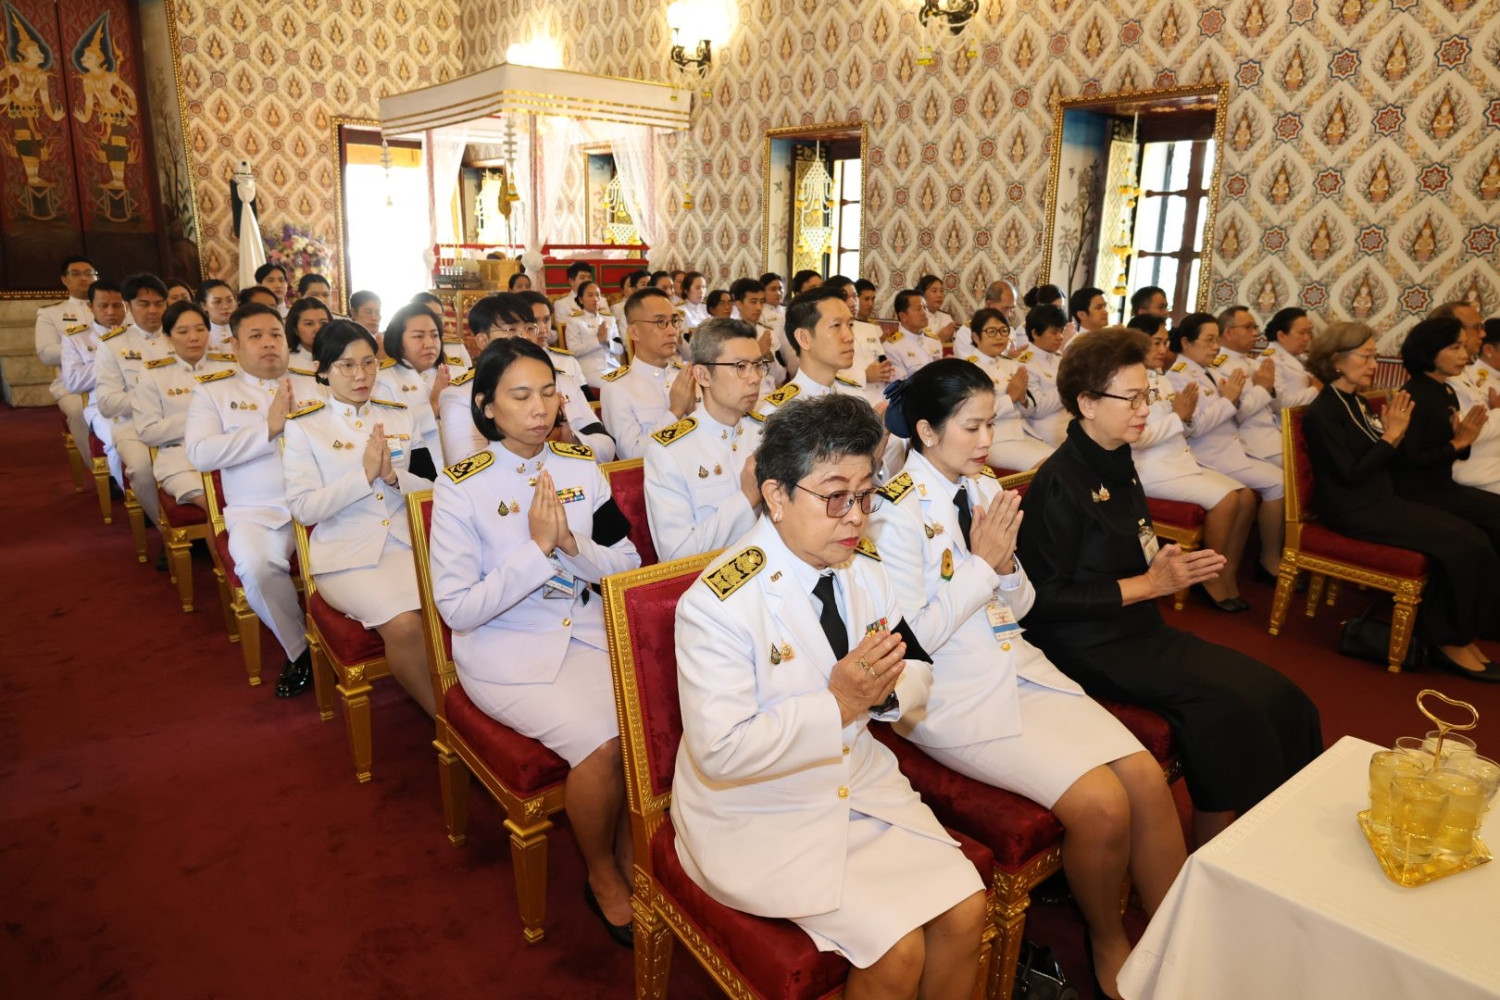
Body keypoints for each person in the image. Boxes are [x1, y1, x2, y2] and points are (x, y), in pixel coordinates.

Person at [871, 361, 1187, 998]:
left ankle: (1181, 942)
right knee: (1100, 804)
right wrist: (983, 569)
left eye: (992, 423)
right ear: (928, 431)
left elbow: (1020, 608)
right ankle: (1108, 939)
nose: (988, 440)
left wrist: (1007, 570)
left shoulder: (985, 490)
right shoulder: (891, 515)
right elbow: (911, 641)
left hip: (1019, 667)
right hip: (951, 696)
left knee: (1146, 777)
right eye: (973, 426)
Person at [673, 393, 988, 997]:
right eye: (835, 495)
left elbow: (915, 668)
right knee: (895, 951)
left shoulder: (864, 568)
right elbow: (721, 752)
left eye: (866, 493)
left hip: (859, 779)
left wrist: (886, 696)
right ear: (776, 496)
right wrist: (842, 703)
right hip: (757, 808)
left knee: (967, 910)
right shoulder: (716, 604)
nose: (855, 515)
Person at [1015, 329, 1323, 844]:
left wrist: (1163, 557)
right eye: (1132, 398)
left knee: (1283, 695)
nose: (1145, 410)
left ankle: (1277, 831)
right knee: (1224, 705)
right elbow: (1043, 602)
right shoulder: (1060, 481)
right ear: (1087, 403)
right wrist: (1149, 581)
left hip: (1137, 628)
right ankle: (1217, 848)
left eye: (1147, 396)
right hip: (1086, 644)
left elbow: (1128, 538)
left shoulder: (1116, 457)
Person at [429, 337, 640, 944]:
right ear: (486, 407)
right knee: (603, 743)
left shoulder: (581, 469)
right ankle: (600, 874)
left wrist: (573, 548)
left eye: (548, 392)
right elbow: (459, 610)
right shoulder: (460, 487)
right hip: (504, 649)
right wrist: (537, 551)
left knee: (654, 720)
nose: (539, 408)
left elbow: (625, 564)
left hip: (589, 631)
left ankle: (631, 852)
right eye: (520, 395)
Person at [1302, 321, 1500, 680]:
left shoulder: (1356, 402)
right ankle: (1448, 643)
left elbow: (1386, 460)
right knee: (1460, 547)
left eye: (1375, 356)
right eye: (1366, 356)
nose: (1374, 364)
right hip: (1352, 509)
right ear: (1336, 361)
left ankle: (1462, 633)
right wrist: (1392, 437)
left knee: (1475, 538)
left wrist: (1406, 437)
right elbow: (1350, 474)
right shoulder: (1323, 411)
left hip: (1380, 500)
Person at [282, 319, 437, 716]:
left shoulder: (401, 417)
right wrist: (363, 476)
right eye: (346, 365)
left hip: (409, 543)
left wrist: (392, 476)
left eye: (369, 363)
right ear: (323, 370)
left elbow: (434, 488)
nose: (361, 374)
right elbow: (304, 508)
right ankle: (448, 723)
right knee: (404, 624)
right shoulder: (305, 428)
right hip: (346, 555)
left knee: (457, 610)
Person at [184, 303, 313, 698]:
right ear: (235, 345)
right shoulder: (214, 391)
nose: (269, 343)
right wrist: (269, 429)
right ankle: (301, 651)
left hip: (321, 503)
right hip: (257, 512)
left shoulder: (316, 383)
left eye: (275, 334)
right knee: (256, 566)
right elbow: (201, 453)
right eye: (255, 337)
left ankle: (361, 641)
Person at [1130, 316, 1257, 609]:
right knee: (1226, 500)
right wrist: (1178, 417)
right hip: (1151, 467)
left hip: (1178, 461)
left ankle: (1226, 571)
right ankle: (1209, 578)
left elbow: (1184, 428)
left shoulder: (1158, 378)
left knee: (1246, 497)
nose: (1164, 349)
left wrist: (1183, 418)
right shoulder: (1133, 381)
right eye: (1157, 342)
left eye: (1165, 342)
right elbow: (1137, 437)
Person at [1165, 313, 1285, 593]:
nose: (1215, 347)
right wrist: (1229, 400)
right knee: (1268, 487)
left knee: (1253, 494)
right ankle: (1230, 572)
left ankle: (1227, 572)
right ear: (1186, 342)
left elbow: (1237, 414)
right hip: (1205, 452)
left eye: (1217, 340)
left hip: (1230, 448)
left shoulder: (1213, 370)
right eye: (1208, 340)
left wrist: (1249, 394)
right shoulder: (1179, 377)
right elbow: (1193, 428)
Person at [643, 318, 767, 560]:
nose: (755, 378)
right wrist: (747, 497)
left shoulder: (767, 432)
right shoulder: (669, 452)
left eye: (758, 365)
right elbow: (677, 556)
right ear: (703, 375)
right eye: (740, 366)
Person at [441, 293, 613, 463]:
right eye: (511, 329)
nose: (525, 337)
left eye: (530, 328)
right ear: (483, 341)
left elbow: (606, 448)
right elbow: (465, 466)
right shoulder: (461, 395)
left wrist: (570, 440)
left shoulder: (562, 382)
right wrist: (535, 447)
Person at [1390, 316, 1500, 549]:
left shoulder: (1445, 390)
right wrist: (1458, 442)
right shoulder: (1413, 395)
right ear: (1430, 352)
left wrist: (1463, 438)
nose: (1465, 355)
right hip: (1416, 491)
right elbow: (1408, 459)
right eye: (1455, 347)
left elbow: (1455, 449)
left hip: (1441, 483)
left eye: (1463, 346)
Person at [133, 302, 236, 510]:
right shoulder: (154, 374)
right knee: (218, 507)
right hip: (181, 459)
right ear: (168, 337)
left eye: (200, 329)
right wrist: (198, 418)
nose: (193, 337)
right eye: (183, 331)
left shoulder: (230, 366)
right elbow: (147, 432)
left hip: (229, 453)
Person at [96, 272, 170, 528]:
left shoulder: (180, 334)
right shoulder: (112, 345)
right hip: (133, 426)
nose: (153, 311)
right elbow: (107, 403)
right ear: (128, 306)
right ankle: (166, 529)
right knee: (142, 468)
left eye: (159, 303)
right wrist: (153, 398)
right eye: (144, 304)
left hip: (180, 421)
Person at [600, 287, 696, 460]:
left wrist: (694, 413)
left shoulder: (687, 376)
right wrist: (675, 412)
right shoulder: (616, 389)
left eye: (674, 321)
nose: (672, 331)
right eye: (660, 322)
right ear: (634, 332)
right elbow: (632, 455)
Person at [965, 307, 1052, 471]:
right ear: (976, 336)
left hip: (1023, 432)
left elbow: (1027, 411)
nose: (999, 337)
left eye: (1003, 331)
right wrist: (1011, 397)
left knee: (1061, 459)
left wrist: (1022, 399)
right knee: (1049, 466)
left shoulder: (1011, 364)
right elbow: (973, 413)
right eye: (991, 331)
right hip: (994, 439)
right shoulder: (969, 368)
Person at [59, 279, 128, 483]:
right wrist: (109, 360)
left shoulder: (136, 334)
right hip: (101, 408)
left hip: (139, 401)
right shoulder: (77, 338)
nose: (110, 312)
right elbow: (72, 382)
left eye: (117, 305)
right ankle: (136, 499)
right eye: (103, 306)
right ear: (90, 307)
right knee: (118, 442)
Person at [34, 255, 97, 464]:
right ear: (64, 280)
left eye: (89, 273)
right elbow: (46, 353)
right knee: (80, 410)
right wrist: (83, 350)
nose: (84, 278)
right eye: (76, 274)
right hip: (73, 384)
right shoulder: (52, 313)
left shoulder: (115, 307)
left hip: (113, 378)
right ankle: (102, 472)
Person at [376, 304, 453, 472]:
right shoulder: (383, 380)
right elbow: (390, 434)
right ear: (398, 341)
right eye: (418, 336)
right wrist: (433, 406)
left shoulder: (445, 371)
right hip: (413, 477)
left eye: (434, 335)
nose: (429, 343)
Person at [1214, 306, 1282, 467]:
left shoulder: (1252, 362)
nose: (1255, 333)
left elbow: (1277, 407)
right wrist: (1262, 388)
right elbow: (1235, 414)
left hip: (1273, 435)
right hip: (1251, 442)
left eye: (1255, 327)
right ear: (1229, 332)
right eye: (1248, 327)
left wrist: (1269, 389)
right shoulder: (1219, 366)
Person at [1451, 318, 1500, 494]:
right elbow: (1469, 431)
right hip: (1478, 469)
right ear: (1489, 350)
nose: (1482, 334)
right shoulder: (1477, 380)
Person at [1017, 304, 1071, 447]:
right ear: (1035, 333)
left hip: (1071, 422)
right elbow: (1038, 409)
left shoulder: (1060, 358)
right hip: (1047, 430)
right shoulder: (1025, 364)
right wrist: (1067, 385)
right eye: (1054, 332)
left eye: (1061, 331)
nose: (1060, 337)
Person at [561, 279, 620, 388]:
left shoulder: (609, 318)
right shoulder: (574, 321)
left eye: (598, 295)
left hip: (613, 366)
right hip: (589, 370)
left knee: (633, 382)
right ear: (581, 299)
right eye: (590, 295)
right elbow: (574, 350)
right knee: (613, 386)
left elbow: (620, 349)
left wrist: (607, 341)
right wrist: (598, 341)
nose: (595, 299)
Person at [1263, 307, 1318, 409]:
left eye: (1309, 332)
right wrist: (1316, 389)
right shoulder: (1270, 361)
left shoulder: (1301, 356)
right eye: (1302, 333)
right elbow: (1279, 404)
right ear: (1281, 335)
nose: (1307, 338)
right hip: (1284, 423)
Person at [953, 279, 1021, 359]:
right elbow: (969, 367)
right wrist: (1008, 360)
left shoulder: (1010, 331)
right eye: (1005, 308)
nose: (1009, 314)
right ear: (989, 304)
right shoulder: (967, 332)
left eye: (1012, 309)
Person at [886, 289, 942, 378]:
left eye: (925, 307)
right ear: (903, 316)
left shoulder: (934, 340)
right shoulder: (892, 347)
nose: (924, 313)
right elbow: (899, 385)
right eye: (918, 309)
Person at [283, 297, 333, 400]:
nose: (318, 329)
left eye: (323, 323)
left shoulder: (342, 358)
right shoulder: (285, 364)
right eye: (309, 324)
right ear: (295, 329)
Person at [195, 279, 238, 351]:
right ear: (204, 305)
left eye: (229, 300)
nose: (225, 306)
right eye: (217, 302)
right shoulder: (200, 334)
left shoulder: (246, 329)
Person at [916, 274, 958, 345]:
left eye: (941, 291)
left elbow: (954, 346)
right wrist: (939, 339)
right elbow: (913, 349)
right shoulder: (914, 318)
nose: (939, 295)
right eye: (934, 291)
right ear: (922, 294)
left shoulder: (947, 318)